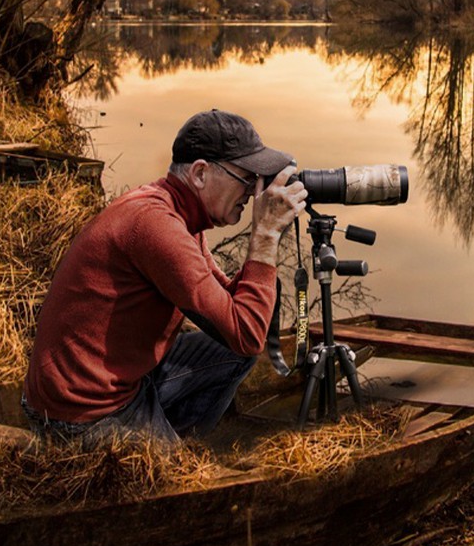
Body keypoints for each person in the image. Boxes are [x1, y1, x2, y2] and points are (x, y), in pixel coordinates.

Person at [22, 109, 307, 442]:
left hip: (117, 381)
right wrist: (265, 237)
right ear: (200, 173)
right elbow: (246, 333)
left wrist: (267, 240)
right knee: (189, 482)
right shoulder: (157, 227)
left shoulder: (177, 215)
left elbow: (236, 320)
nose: (253, 192)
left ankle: (174, 439)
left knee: (233, 355)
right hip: (82, 414)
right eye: (247, 179)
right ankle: (169, 457)